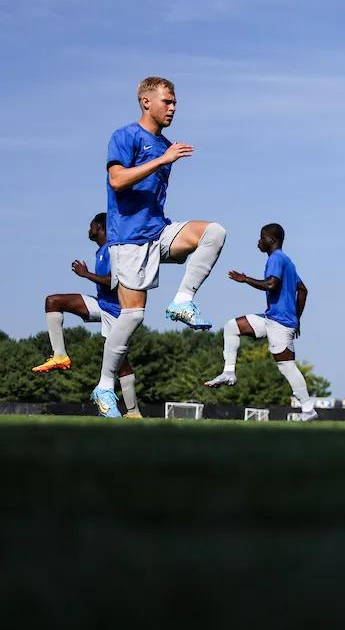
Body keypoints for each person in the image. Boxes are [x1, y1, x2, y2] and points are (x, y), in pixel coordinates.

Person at [92, 76, 227, 417]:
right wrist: (161, 160)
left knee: (213, 232)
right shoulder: (125, 136)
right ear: (146, 101)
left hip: (159, 232)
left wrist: (164, 157)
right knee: (133, 315)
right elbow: (117, 180)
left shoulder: (164, 145)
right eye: (167, 101)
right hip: (129, 239)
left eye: (175, 102)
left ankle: (183, 300)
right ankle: (105, 385)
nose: (173, 107)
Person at [203, 224, 317, 422]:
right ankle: (229, 372)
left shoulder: (276, 258)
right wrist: (297, 318)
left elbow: (272, 284)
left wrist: (244, 279)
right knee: (232, 326)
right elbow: (303, 290)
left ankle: (308, 410)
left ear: (272, 240)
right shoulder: (287, 261)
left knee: (286, 366)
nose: (258, 241)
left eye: (261, 238)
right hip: (272, 318)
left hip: (280, 323)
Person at [33, 213, 141, 418]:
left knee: (121, 363)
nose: (88, 229)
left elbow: (113, 281)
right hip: (102, 304)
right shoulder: (101, 251)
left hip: (117, 312)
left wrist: (86, 274)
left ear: (100, 227)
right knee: (53, 301)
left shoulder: (113, 249)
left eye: (91, 225)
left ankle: (133, 412)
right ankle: (60, 356)